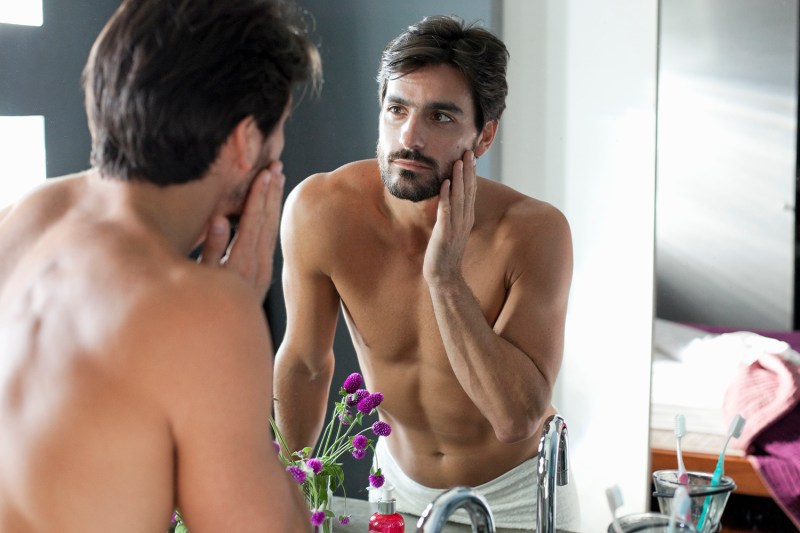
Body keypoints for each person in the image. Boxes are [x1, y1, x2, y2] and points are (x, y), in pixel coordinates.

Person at [0, 0, 321, 531]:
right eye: (280, 126)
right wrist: (231, 310)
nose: (280, 148)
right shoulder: (199, 312)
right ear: (245, 141)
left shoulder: (19, 221)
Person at [274, 14, 579, 530]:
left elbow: (515, 418)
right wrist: (288, 487)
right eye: (397, 110)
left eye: (440, 117)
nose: (408, 137)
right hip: (395, 491)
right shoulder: (321, 211)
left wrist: (444, 277)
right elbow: (305, 363)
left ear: (483, 137)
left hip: (518, 497)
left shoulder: (533, 233)